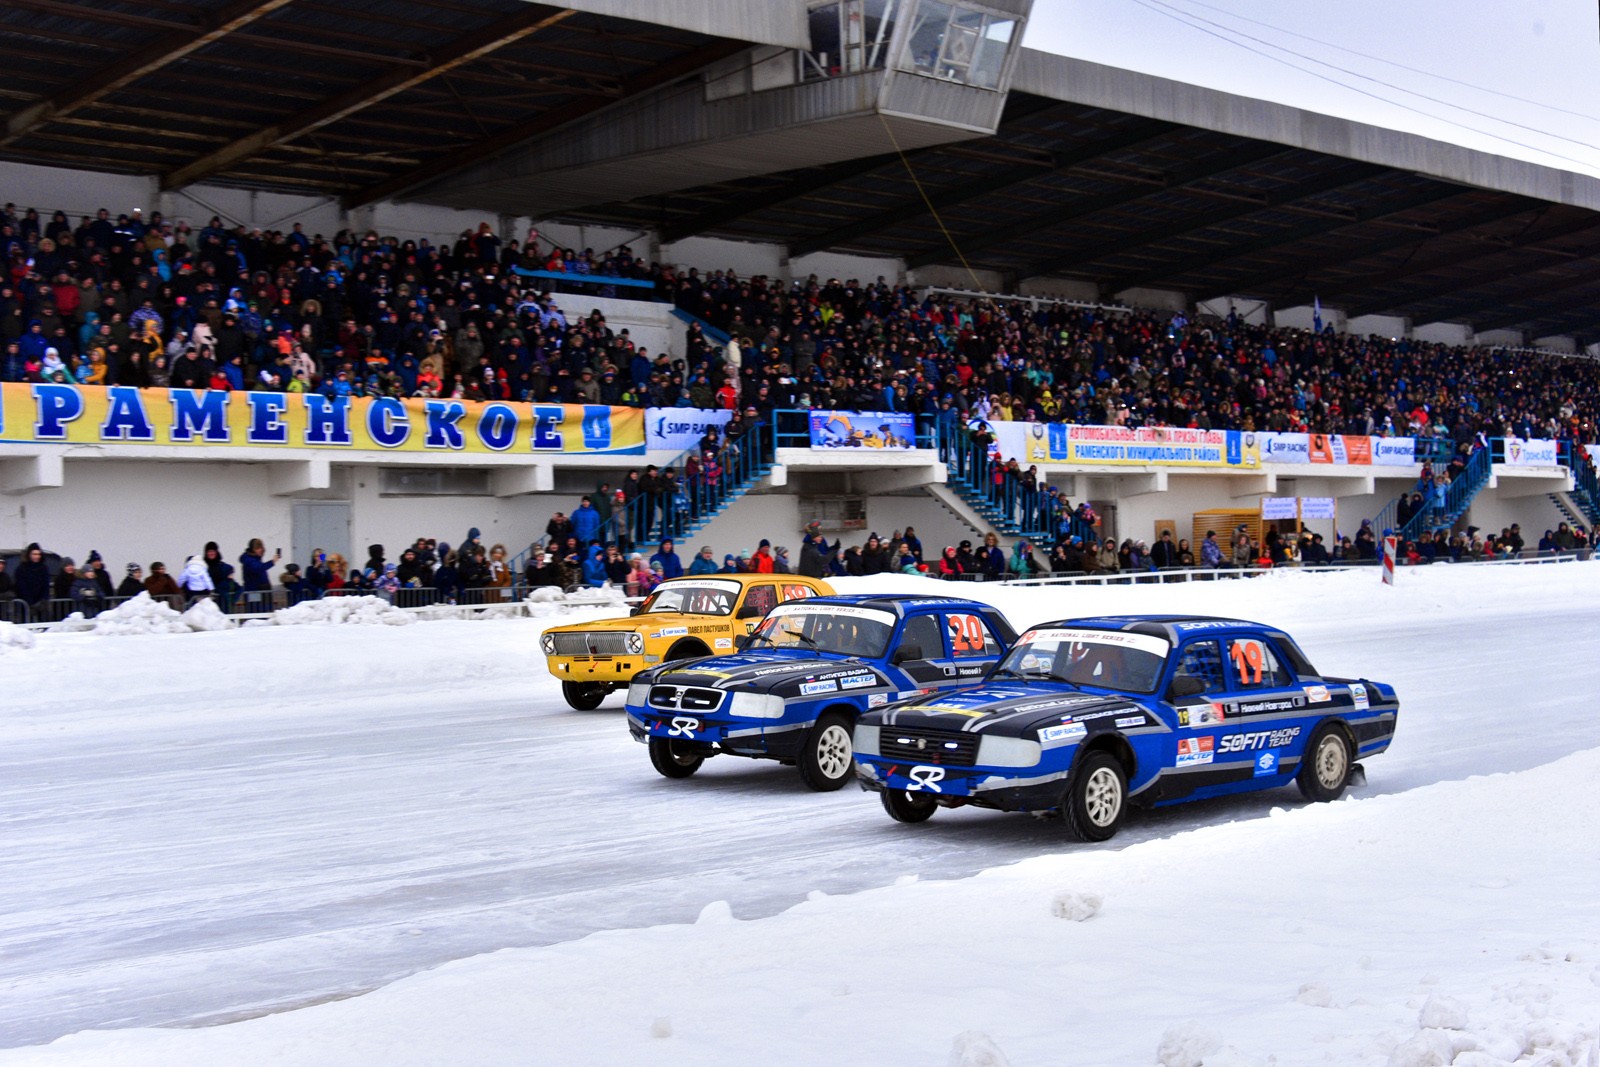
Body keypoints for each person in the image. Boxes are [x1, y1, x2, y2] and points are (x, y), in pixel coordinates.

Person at [13, 543, 51, 610]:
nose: (37, 556)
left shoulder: (44, 568)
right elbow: (21, 587)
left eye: (39, 554)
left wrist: (43, 600)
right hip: (25, 604)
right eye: (34, 554)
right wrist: (30, 603)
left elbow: (46, 585)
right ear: (29, 554)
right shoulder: (21, 569)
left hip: (41, 605)